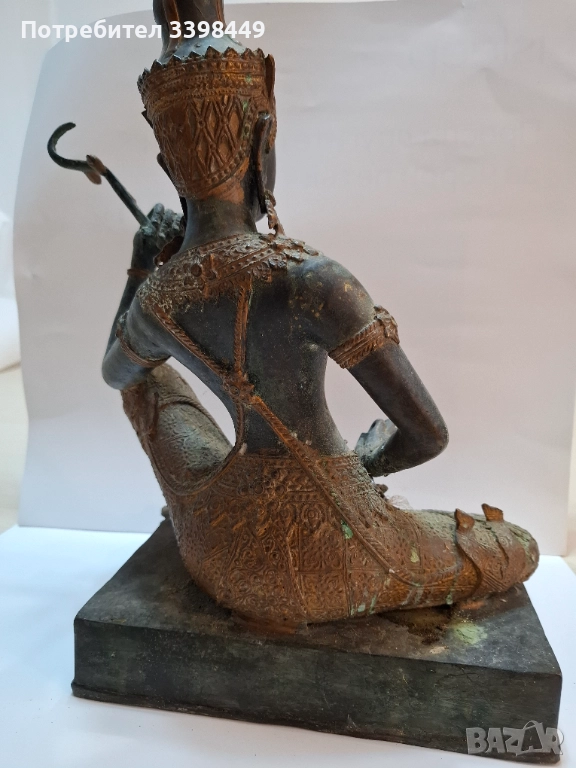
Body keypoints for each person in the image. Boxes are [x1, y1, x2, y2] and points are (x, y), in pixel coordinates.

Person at [101, 0, 538, 631]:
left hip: (221, 551)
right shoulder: (313, 280)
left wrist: (143, 264)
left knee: (148, 379)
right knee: (515, 546)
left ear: (170, 169)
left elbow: (115, 373)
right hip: (341, 558)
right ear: (262, 145)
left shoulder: (159, 296)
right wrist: (365, 461)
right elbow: (427, 436)